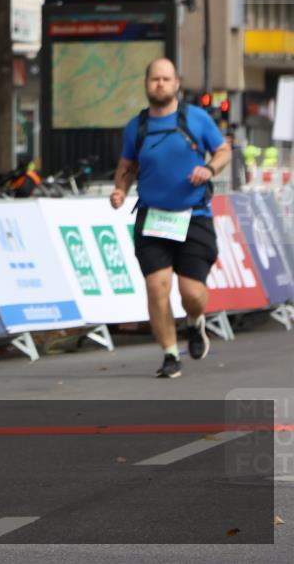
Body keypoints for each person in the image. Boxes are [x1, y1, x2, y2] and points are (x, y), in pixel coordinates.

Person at [109, 58, 230, 378]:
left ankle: (195, 322)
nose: (160, 84)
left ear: (177, 83)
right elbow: (127, 167)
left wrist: (209, 169)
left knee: (192, 293)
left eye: (166, 79)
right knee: (156, 286)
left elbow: (224, 151)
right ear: (147, 84)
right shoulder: (137, 127)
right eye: (154, 79)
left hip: (194, 216)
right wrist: (120, 190)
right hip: (152, 218)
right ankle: (169, 355)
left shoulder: (197, 119)